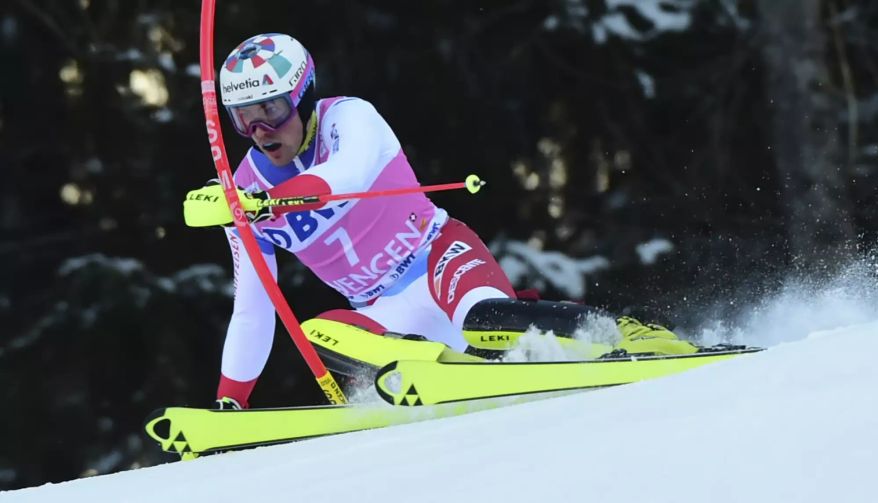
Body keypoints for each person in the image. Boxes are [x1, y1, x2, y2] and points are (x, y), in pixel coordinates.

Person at [196, 33, 691, 410]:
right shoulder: (243, 192)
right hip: (383, 311)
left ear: (302, 96)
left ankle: (624, 334)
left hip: (437, 258)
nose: (261, 131)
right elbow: (254, 310)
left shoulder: (349, 118)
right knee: (320, 333)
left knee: (486, 320)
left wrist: (269, 202)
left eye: (272, 110)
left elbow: (346, 173)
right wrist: (230, 403)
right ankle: (444, 373)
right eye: (244, 119)